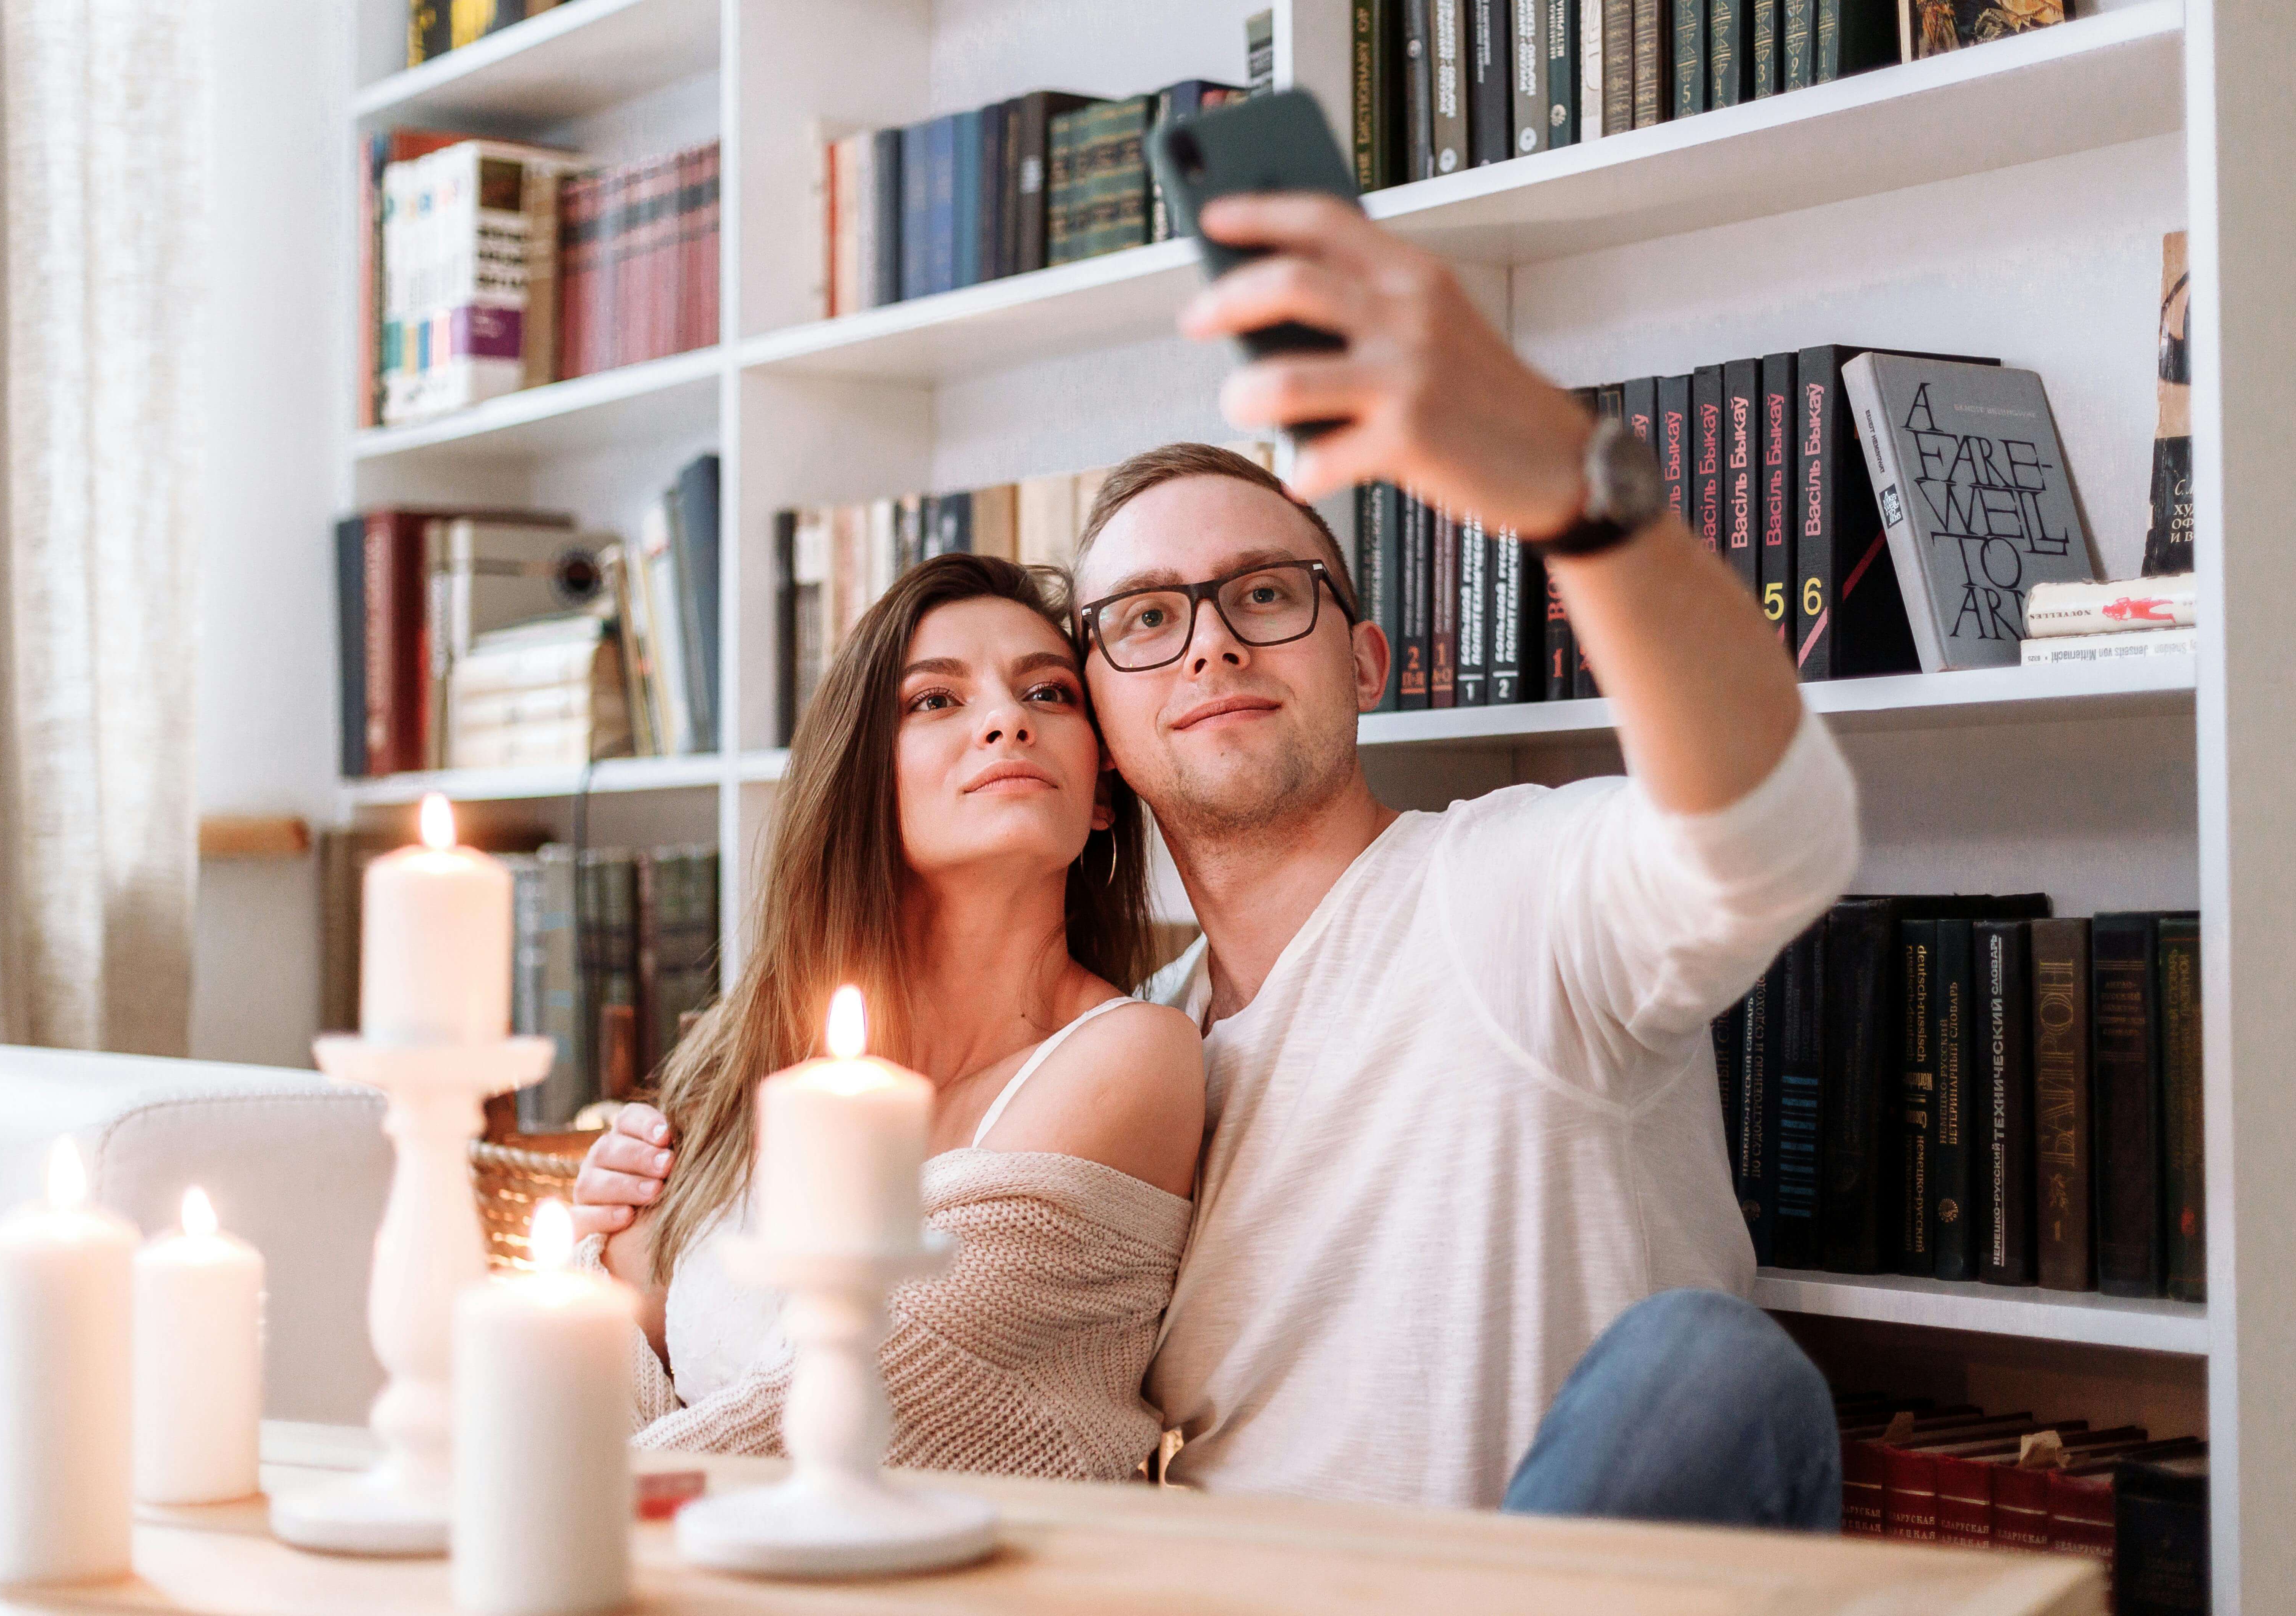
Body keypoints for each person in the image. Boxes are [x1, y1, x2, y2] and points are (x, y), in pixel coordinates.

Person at [580, 195, 1856, 1527]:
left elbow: (1770, 837)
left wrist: (1569, 485)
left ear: (1364, 664)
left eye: (1262, 593)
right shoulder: (1148, 1039)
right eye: (1141, 620)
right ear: (1105, 743)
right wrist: (655, 1237)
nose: (1206, 646)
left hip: (1533, 1576)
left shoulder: (1506, 892)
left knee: (1713, 1370)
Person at [582, 553, 1206, 1482]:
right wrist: (592, 1265)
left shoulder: (1133, 1056)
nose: (1008, 719)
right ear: (862, 778)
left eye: (1048, 693)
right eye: (933, 701)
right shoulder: (741, 1060)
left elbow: (856, 1423)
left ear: (1104, 790)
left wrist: (551, 1490)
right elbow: (600, 1361)